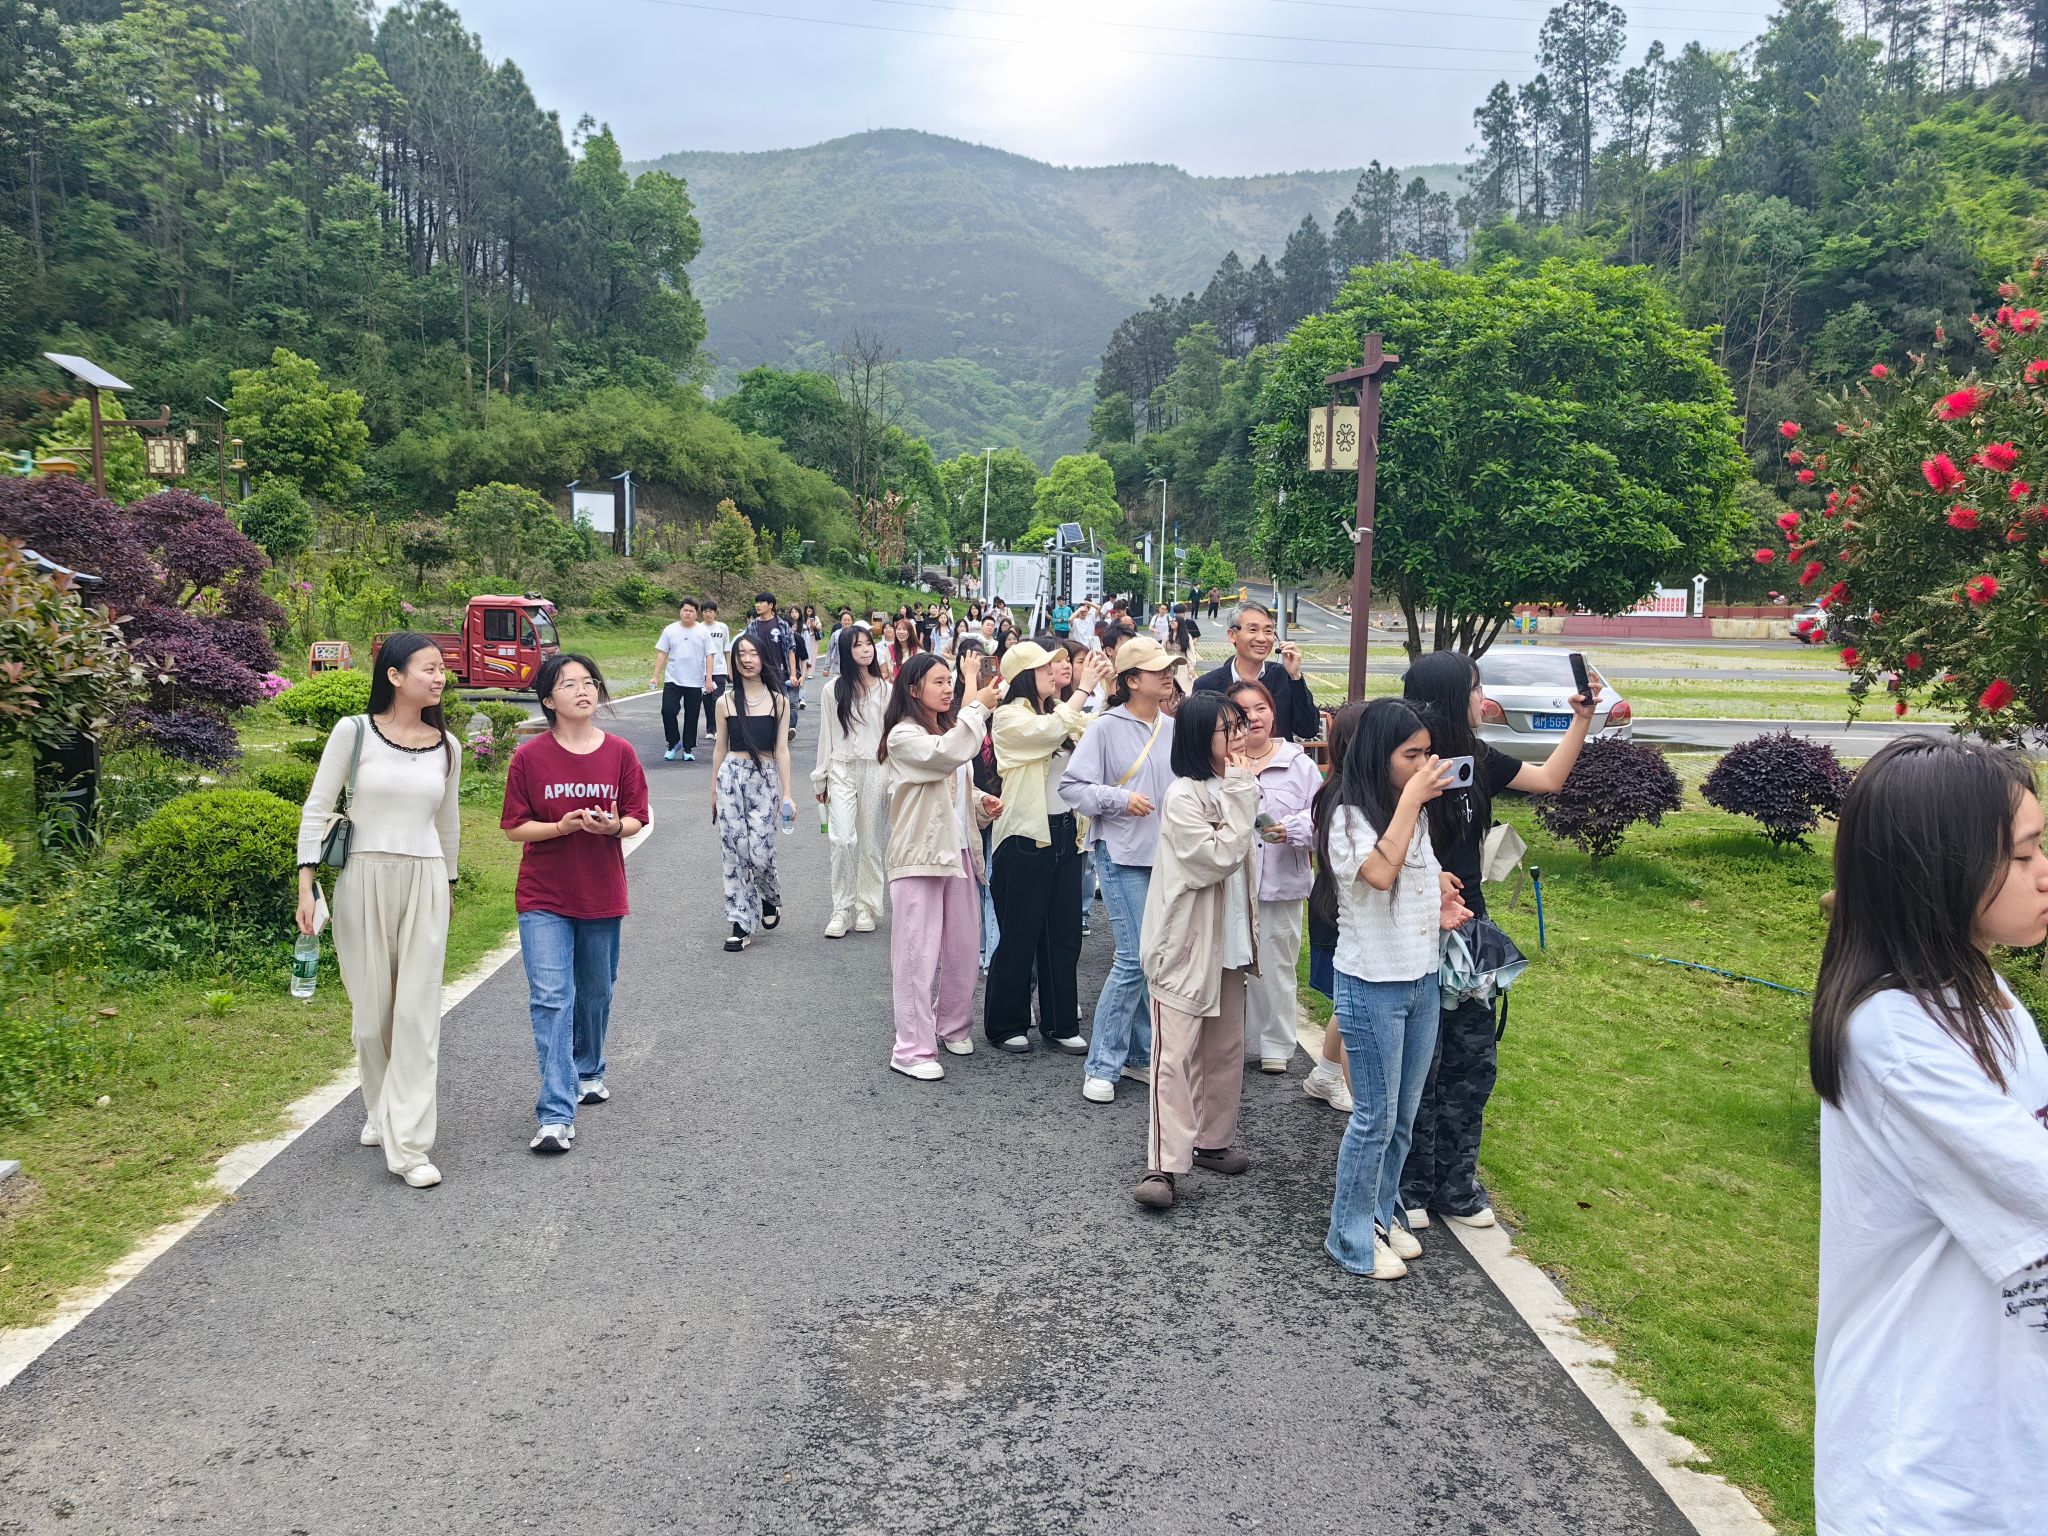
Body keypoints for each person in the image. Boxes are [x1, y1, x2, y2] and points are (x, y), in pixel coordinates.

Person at [1813, 737, 2048, 1534]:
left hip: (2002, 1432)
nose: (2044, 871)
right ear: (1940, 869)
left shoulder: (1986, 996)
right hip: (1925, 1470)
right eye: (2024, 855)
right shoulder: (1897, 1035)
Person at [1397, 649, 1600, 1231]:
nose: (1482, 697)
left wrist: (1582, 720)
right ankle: (1410, 1187)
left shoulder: (1476, 757)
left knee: (1472, 1061)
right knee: (1422, 1064)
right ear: (1446, 695)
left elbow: (1548, 779)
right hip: (1416, 928)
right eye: (1474, 687)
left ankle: (1456, 1186)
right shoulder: (1403, 762)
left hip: (1471, 931)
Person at [294, 632, 462, 1190]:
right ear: (394, 675)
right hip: (362, 879)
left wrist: (450, 884)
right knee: (371, 1017)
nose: (439, 678)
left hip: (425, 880)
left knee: (416, 1014)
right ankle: (379, 1106)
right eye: (428, 668)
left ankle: (409, 1146)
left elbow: (448, 824)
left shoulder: (448, 746)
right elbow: (317, 809)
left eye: (441, 669)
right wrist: (306, 886)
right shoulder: (354, 731)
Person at [1317, 698, 1467, 1279]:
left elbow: (1410, 884)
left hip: (1420, 979)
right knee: (1374, 1119)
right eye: (1412, 755)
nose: (1426, 765)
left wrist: (1440, 907)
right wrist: (1410, 802)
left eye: (1429, 753)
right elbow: (1379, 875)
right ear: (1381, 755)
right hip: (1370, 983)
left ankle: (1381, 1215)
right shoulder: (1347, 816)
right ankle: (1349, 1235)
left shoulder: (1414, 814)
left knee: (1403, 1118)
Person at [501, 654, 649, 1155]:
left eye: (589, 682)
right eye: (569, 685)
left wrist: (614, 827)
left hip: (601, 891)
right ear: (548, 699)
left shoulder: (621, 753)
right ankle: (555, 1114)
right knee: (551, 998)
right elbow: (515, 827)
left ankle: (588, 1068)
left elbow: (637, 816)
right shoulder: (529, 758)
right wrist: (561, 827)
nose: (583, 691)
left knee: (595, 992)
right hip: (543, 894)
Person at [1131, 690, 1261, 1211]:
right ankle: (1162, 1163)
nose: (1239, 737)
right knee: (1174, 1056)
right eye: (1227, 729)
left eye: (1239, 725)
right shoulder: (1184, 794)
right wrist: (1243, 795)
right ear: (1197, 737)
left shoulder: (1237, 784)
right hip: (1185, 946)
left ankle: (1212, 1140)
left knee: (1225, 1049)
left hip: (1229, 943)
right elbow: (1215, 858)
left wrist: (1244, 794)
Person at [1060, 636, 1183, 1103]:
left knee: (1153, 959)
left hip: (1166, 857)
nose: (1168, 675)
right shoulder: (1105, 728)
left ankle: (1137, 1054)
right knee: (1134, 957)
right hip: (1121, 852)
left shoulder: (1174, 728)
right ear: (1131, 680)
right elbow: (1072, 787)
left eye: (1169, 668)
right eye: (1158, 670)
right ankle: (1103, 1064)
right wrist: (1119, 799)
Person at [878, 652, 1005, 1079]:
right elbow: (943, 758)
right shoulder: (903, 735)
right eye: (938, 682)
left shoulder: (944, 731)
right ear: (913, 690)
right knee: (916, 956)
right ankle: (911, 1049)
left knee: (963, 949)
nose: (948, 688)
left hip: (958, 852)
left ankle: (951, 1024)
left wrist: (981, 803)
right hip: (920, 856)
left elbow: (949, 787)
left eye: (950, 681)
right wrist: (979, 705)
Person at [985, 640, 1107, 1052]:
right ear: (1023, 676)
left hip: (1066, 833)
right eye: (1044, 668)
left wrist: (1108, 687)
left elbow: (1095, 729)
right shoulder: (1007, 717)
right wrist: (1084, 689)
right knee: (1020, 934)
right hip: (1025, 835)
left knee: (1064, 934)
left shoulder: (1059, 710)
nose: (1055, 672)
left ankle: (1060, 1023)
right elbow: (1050, 732)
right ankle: (1006, 1024)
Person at [1228, 678, 1319, 1075]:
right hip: (1230, 882)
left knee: (1276, 966)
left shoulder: (1299, 764)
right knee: (1228, 966)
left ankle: (1276, 1044)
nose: (1253, 718)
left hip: (1280, 884)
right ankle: (1232, 1040)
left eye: (1260, 708)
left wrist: (1292, 829)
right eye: (1243, 711)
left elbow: (1323, 821)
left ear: (1273, 711)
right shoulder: (1219, 764)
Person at [712, 633, 796, 952]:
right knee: (735, 851)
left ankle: (769, 895)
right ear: (734, 661)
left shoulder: (779, 701)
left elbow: (782, 750)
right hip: (730, 776)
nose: (747, 659)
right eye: (741, 654)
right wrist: (713, 790)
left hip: (764, 777)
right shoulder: (724, 702)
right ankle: (740, 922)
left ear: (763, 658)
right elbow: (720, 748)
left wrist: (788, 794)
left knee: (759, 851)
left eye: (753, 653)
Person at [812, 623, 890, 938]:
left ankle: (866, 907)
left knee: (870, 843)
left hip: (876, 768)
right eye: (857, 645)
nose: (865, 649)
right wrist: (821, 778)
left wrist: (895, 778)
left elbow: (893, 736)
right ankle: (841, 909)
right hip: (841, 768)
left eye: (868, 643)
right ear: (846, 650)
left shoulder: (886, 690)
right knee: (841, 839)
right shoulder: (833, 690)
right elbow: (826, 736)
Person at [1302, 704, 1361, 1114]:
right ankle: (1334, 1078)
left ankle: (1325, 1073)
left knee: (1347, 1001)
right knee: (1351, 1002)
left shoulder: (1348, 788)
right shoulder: (1342, 796)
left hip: (1335, 907)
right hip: (1337, 910)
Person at [1193, 603, 1317, 742]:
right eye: (1253, 630)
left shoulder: (1285, 677)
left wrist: (1295, 677)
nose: (1262, 638)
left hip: (1277, 756)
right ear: (1232, 635)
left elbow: (1308, 730)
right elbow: (1198, 741)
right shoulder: (1206, 686)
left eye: (1268, 631)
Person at [651, 599, 716, 764]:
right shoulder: (670, 630)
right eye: (685, 610)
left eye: (691, 611)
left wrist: (709, 678)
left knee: (692, 715)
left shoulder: (702, 631)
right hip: (673, 679)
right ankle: (673, 743)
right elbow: (662, 653)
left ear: (696, 614)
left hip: (695, 681)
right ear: (680, 611)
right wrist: (655, 676)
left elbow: (710, 655)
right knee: (667, 711)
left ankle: (688, 748)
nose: (688, 613)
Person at [745, 593, 799, 741]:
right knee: (759, 703)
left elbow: (791, 650)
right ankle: (763, 732)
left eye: (761, 602)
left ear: (771, 605)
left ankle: (784, 730)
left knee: (782, 703)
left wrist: (793, 674)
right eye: (756, 602)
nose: (757, 605)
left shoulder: (782, 625)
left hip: (779, 672)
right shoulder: (752, 627)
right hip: (759, 673)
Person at [698, 600, 731, 744]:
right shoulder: (699, 628)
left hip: (719, 670)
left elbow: (726, 649)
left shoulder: (722, 627)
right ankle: (710, 729)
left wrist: (729, 669)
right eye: (705, 611)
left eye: (710, 611)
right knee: (707, 701)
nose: (707, 614)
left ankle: (719, 729)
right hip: (703, 671)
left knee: (717, 700)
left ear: (715, 613)